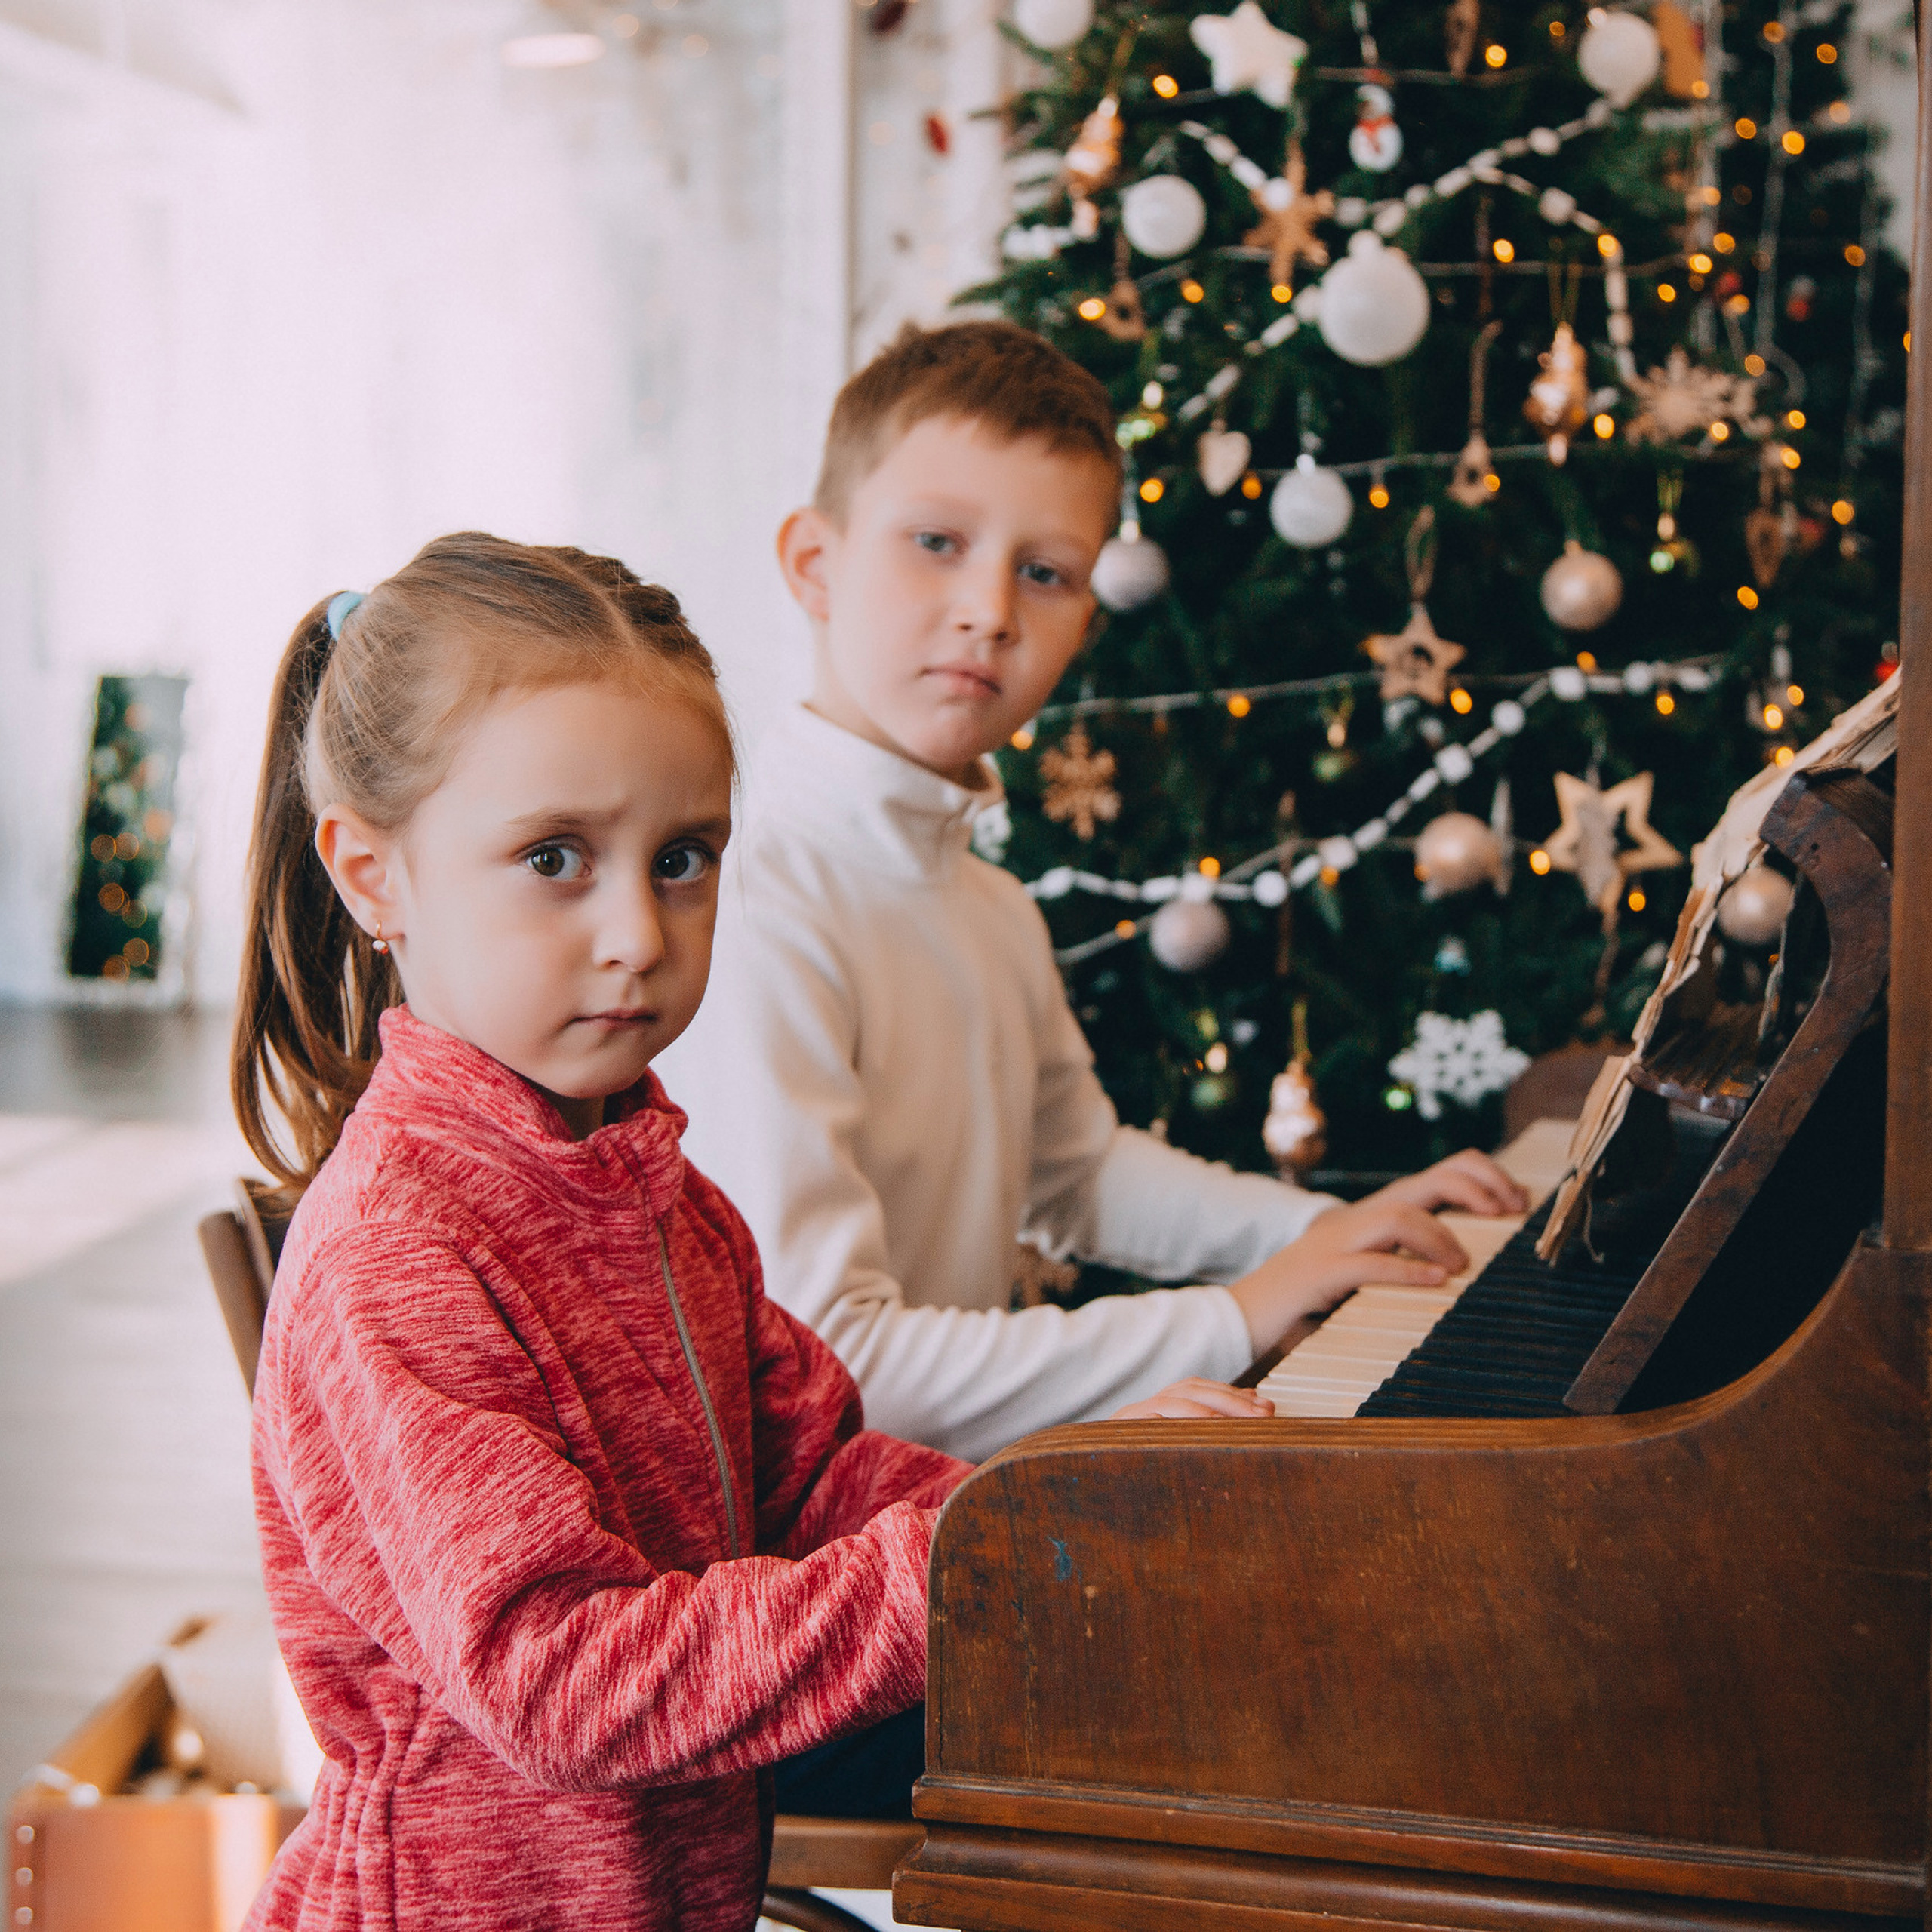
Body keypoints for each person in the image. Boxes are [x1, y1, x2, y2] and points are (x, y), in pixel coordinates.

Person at [235, 534, 1272, 1930]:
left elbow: (813, 1477)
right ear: (373, 876)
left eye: (683, 859)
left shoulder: (659, 1192)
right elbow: (563, 1682)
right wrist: (965, 1560)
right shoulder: (400, 1253)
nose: (637, 933)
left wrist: (1056, 1501)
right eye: (555, 857)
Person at [663, 321, 1528, 1465]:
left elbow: (1078, 1172)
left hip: (936, 1510)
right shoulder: (758, 901)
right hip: (815, 1575)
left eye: (1046, 572)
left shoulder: (987, 905)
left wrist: (1328, 1233)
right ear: (815, 565)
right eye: (936, 541)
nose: (991, 610)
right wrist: (1231, 1319)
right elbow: (830, 1360)